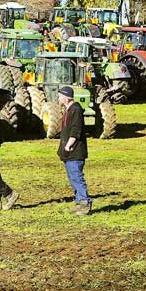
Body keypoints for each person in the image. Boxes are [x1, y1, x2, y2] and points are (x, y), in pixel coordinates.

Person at [57, 85, 91, 216]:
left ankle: (84, 204)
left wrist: (69, 145)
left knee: (77, 178)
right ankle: (79, 203)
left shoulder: (76, 110)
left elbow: (76, 130)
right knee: (73, 178)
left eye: (60, 96)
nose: (58, 98)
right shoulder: (68, 110)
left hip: (75, 152)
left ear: (66, 97)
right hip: (69, 153)